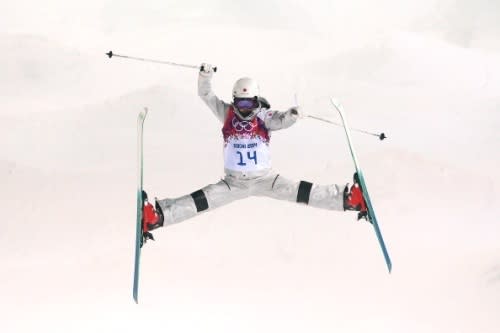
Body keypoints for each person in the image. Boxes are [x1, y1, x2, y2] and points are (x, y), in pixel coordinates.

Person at [140, 63, 368, 243]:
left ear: (256, 101)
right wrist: (205, 76)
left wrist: (292, 115)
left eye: (249, 104)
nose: (244, 110)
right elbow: (207, 96)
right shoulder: (227, 113)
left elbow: (280, 121)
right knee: (202, 201)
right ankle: (156, 216)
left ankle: (349, 199)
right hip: (233, 183)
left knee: (300, 191)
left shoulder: (263, 116)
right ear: (234, 100)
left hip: (265, 179)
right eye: (240, 103)